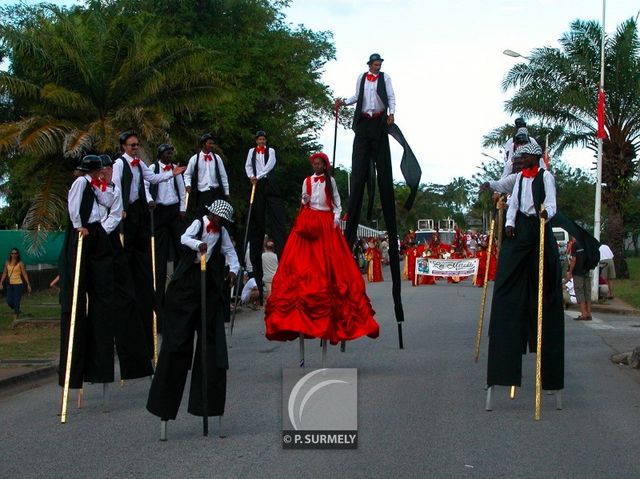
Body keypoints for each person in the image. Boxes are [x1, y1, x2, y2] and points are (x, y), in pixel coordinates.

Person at [265, 152, 379, 344]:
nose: (316, 166)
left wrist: (335, 218)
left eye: (319, 163)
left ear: (324, 165)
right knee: (301, 262)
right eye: (314, 163)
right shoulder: (307, 180)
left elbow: (337, 202)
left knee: (329, 262)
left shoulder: (331, 181)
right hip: (309, 222)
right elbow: (304, 203)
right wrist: (304, 199)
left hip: (326, 223)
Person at [147, 200, 239, 425]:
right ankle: (164, 405)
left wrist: (234, 270)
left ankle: (209, 404)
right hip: (188, 282)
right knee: (177, 344)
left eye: (223, 221)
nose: (220, 222)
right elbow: (183, 238)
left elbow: (230, 252)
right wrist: (199, 245)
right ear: (212, 215)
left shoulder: (223, 232)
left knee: (210, 343)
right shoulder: (199, 223)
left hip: (208, 283)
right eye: (219, 219)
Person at [335, 53, 406, 327]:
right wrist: (343, 101)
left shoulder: (385, 79)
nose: (378, 67)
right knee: (360, 168)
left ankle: (380, 194)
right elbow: (357, 98)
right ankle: (355, 210)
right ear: (369, 65)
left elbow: (392, 97)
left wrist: (391, 114)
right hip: (364, 123)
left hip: (379, 123)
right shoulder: (362, 78)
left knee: (384, 174)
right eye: (375, 64)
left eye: (379, 64)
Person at [486, 143, 564, 392]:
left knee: (545, 281)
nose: (521, 160)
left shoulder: (546, 176)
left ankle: (548, 373)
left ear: (535, 157)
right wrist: (509, 222)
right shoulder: (519, 178)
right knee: (506, 281)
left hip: (539, 227)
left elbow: (552, 204)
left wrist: (546, 214)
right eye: (519, 156)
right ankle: (505, 363)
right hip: (521, 228)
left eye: (525, 156)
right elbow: (513, 204)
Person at [112, 131, 186, 362]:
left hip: (141, 212)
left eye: (137, 144)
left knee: (148, 253)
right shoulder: (119, 164)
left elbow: (150, 180)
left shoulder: (140, 164)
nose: (135, 148)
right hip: (127, 211)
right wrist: (120, 207)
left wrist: (171, 175)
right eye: (132, 145)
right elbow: (116, 187)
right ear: (123, 146)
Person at [58, 155, 116, 389]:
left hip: (95, 231)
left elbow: (108, 201)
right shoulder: (81, 183)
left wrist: (105, 184)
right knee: (78, 287)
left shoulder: (93, 185)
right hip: (82, 231)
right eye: (98, 170)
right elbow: (73, 206)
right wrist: (77, 225)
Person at [98, 154, 153, 380]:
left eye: (107, 170)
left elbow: (115, 212)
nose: (104, 173)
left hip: (110, 238)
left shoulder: (116, 189)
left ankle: (135, 360)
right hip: (93, 241)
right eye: (101, 170)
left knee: (127, 297)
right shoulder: (85, 186)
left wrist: (102, 231)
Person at [245, 130, 287, 304]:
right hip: (257, 184)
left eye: (263, 139)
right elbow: (248, 166)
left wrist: (259, 176)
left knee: (276, 219)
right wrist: (251, 177)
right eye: (259, 139)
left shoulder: (271, 151)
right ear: (256, 140)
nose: (262, 141)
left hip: (268, 181)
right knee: (257, 218)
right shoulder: (251, 152)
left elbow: (270, 165)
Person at [150, 143, 187, 330]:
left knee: (182, 250)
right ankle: (160, 307)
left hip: (173, 212)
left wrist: (182, 208)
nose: (169, 156)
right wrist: (150, 201)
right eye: (166, 153)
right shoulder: (152, 168)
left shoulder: (175, 169)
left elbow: (182, 190)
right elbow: (147, 186)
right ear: (160, 154)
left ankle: (181, 290)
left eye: (171, 153)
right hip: (159, 213)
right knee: (160, 259)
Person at [184, 133, 230, 218]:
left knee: (217, 218)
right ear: (203, 144)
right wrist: (188, 185)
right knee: (202, 218)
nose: (212, 145)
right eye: (209, 143)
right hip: (202, 194)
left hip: (216, 192)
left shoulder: (217, 158)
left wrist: (226, 192)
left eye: (213, 143)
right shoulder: (195, 158)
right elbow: (187, 174)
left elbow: (223, 176)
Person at [0, 248, 31, 317]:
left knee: (16, 300)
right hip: (9, 284)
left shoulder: (20, 263)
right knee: (9, 301)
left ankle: (16, 315)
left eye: (15, 253)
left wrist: (28, 284)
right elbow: (5, 273)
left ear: (18, 254)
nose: (14, 255)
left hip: (18, 284)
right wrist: (1, 282)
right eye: (12, 253)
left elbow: (24, 274)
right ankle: (17, 310)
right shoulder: (7, 262)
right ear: (10, 254)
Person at [567, 238, 592, 321]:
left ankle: (583, 314)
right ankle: (589, 313)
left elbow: (574, 260)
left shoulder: (575, 245)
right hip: (586, 271)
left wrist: (570, 271)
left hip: (578, 272)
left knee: (579, 291)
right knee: (587, 292)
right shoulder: (587, 244)